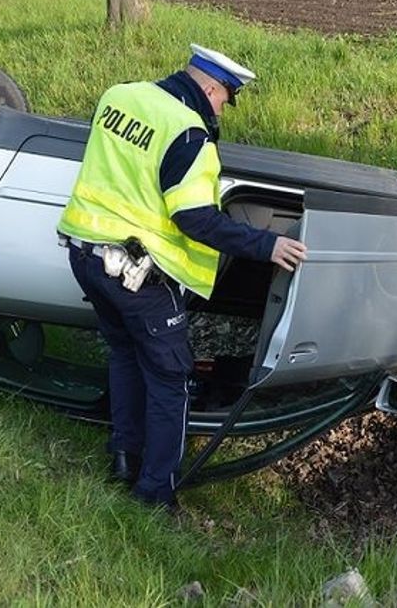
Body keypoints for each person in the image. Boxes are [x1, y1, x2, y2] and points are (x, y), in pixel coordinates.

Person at [57, 44, 307, 509]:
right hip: (138, 276)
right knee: (172, 380)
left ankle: (124, 458)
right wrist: (266, 246)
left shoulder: (121, 96)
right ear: (210, 88)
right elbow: (196, 219)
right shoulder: (189, 134)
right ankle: (156, 495)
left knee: (125, 357)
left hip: (85, 254)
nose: (221, 111)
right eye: (224, 99)